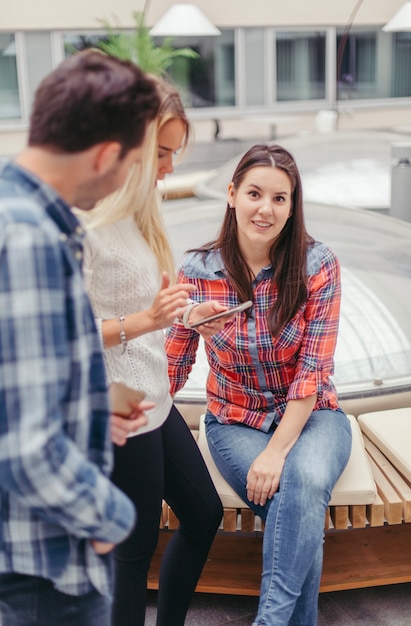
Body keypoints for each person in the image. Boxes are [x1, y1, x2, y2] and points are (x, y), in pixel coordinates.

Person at [0, 50, 160, 626]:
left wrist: (88, 414)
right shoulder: (30, 241)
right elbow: (25, 451)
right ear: (104, 154)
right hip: (43, 573)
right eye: (135, 160)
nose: (131, 177)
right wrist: (111, 518)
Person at [165, 144, 353, 626]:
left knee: (300, 481)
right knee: (301, 498)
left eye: (279, 198)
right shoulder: (196, 273)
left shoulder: (318, 265)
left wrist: (276, 451)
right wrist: (184, 321)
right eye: (253, 193)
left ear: (293, 206)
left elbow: (312, 372)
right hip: (233, 421)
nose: (265, 209)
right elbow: (171, 367)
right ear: (231, 194)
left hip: (315, 418)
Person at [80, 77, 224, 626]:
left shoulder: (144, 203)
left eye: (174, 153)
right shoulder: (82, 219)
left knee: (203, 513)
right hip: (114, 399)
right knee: (132, 553)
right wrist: (144, 320)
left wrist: (188, 315)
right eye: (160, 152)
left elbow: (153, 304)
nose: (168, 167)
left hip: (154, 391)